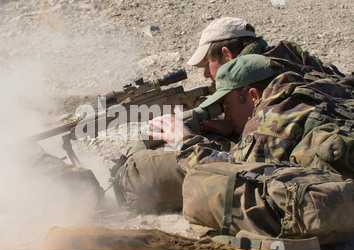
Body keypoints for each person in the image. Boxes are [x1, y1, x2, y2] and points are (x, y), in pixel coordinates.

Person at [110, 17, 347, 213]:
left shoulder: (272, 116)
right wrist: (237, 123)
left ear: (227, 54)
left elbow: (236, 173)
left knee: (146, 173)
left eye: (208, 62)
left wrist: (184, 140)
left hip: (331, 187)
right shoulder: (289, 61)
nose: (205, 74)